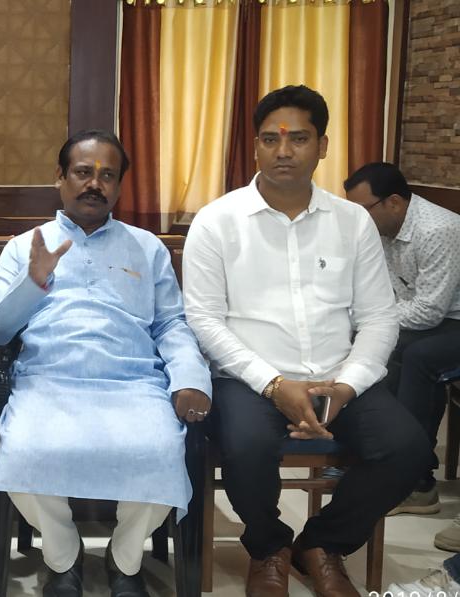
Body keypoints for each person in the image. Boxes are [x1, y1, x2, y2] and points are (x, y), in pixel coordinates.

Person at [183, 85, 430, 597]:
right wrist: (274, 385)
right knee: (247, 446)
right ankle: (267, 547)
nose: (284, 150)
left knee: (408, 450)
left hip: (339, 376)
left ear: (322, 146)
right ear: (255, 146)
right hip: (249, 379)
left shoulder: (352, 222)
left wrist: (347, 386)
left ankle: (321, 545)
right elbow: (204, 320)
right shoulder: (216, 221)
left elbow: (379, 317)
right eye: (270, 139)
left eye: (298, 138)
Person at [0, 130, 212, 597]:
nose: (94, 184)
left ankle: (124, 559)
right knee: (21, 451)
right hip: (47, 381)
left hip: (133, 384)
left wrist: (191, 379)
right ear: (60, 177)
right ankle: (63, 557)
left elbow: (171, 324)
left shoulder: (147, 247)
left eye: (107, 176)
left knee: (163, 452)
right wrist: (32, 283)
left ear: (119, 186)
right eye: (83, 172)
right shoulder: (27, 246)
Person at [343, 161, 460, 527]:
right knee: (373, 346)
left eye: (363, 209)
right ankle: (370, 456)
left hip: (451, 320)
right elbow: (380, 291)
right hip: (425, 318)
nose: (358, 219)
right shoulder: (381, 228)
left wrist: (369, 320)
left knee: (416, 356)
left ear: (393, 202)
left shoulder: (439, 230)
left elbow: (429, 311)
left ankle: (416, 480)